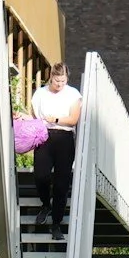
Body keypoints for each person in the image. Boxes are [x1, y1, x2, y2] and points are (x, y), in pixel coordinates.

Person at [30, 65, 82, 232]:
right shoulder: (40, 93)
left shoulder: (73, 94)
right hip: (44, 136)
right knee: (40, 175)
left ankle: (56, 223)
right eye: (57, 80)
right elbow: (34, 117)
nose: (60, 84)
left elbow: (73, 119)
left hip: (64, 138)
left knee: (61, 183)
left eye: (63, 80)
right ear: (51, 77)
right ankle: (46, 204)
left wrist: (57, 119)